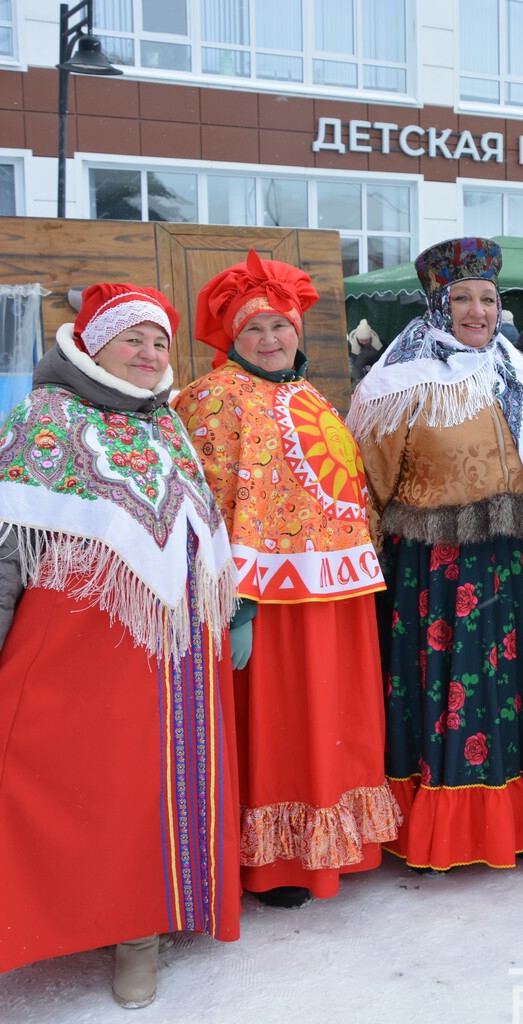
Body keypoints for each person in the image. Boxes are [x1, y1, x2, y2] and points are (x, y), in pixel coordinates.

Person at [0, 285, 240, 1008]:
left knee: (160, 790)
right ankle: (107, 924)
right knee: (91, 791)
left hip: (177, 656)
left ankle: (148, 923)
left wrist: (233, 612)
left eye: (159, 342)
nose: (148, 353)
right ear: (93, 344)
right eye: (132, 339)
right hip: (80, 654)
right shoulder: (43, 418)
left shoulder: (167, 423)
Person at [348, 237, 523, 871]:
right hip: (439, 573)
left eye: (488, 299)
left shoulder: (521, 374)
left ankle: (522, 822)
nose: (477, 311)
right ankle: (447, 830)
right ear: (438, 306)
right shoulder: (396, 384)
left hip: (522, 566)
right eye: (462, 299)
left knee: (519, 694)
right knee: (455, 695)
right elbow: (368, 484)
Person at [174, 251, 399, 910]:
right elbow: (205, 504)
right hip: (266, 606)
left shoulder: (306, 393)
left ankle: (337, 842)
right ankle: (279, 859)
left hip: (334, 597)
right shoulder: (212, 396)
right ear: (232, 339)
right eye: (254, 330)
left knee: (335, 723)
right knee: (284, 728)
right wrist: (232, 604)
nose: (271, 339)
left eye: (281, 326)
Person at [348, 318, 384, 386]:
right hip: (357, 370)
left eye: (367, 340)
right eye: (361, 340)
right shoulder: (350, 345)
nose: (364, 342)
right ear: (357, 337)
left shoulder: (378, 343)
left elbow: (384, 356)